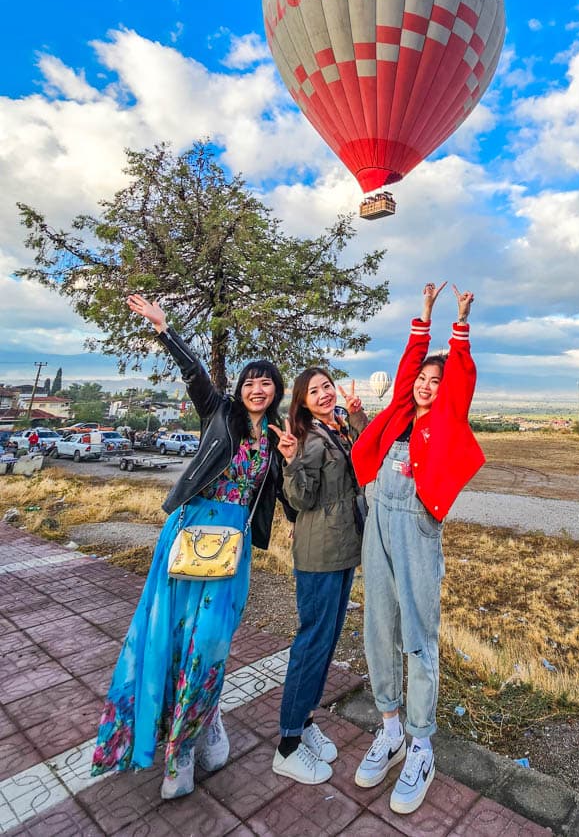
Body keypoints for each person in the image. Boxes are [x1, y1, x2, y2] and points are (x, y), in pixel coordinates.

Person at [91, 293, 295, 800]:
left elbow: (289, 507)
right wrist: (165, 329)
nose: (256, 387)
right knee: (171, 637)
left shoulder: (277, 438)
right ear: (241, 388)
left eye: (266, 381)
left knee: (209, 643)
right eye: (250, 379)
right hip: (187, 533)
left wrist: (291, 463)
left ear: (276, 392)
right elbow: (196, 374)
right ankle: (178, 755)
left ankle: (202, 725)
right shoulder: (219, 413)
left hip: (233, 548)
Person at [351, 282, 484, 815]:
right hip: (378, 521)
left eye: (436, 381)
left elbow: (461, 377)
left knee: (418, 635)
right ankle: (390, 729)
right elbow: (406, 372)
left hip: (417, 527)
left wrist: (458, 326)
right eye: (424, 381)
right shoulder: (399, 416)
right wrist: (422, 316)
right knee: (377, 625)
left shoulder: (447, 422)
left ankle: (422, 745)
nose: (427, 386)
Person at [272, 369, 368, 784]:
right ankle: (287, 745)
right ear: (303, 401)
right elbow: (299, 497)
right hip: (320, 553)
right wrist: (292, 461)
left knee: (326, 641)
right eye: (314, 391)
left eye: (327, 385)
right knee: (312, 642)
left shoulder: (340, 427)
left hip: (344, 548)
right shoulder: (309, 439)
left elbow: (367, 461)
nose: (325, 393)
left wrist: (360, 418)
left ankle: (306, 720)